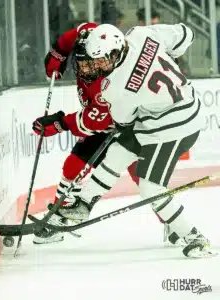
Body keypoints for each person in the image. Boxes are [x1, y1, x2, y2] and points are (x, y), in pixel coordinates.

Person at [56, 23, 215, 258]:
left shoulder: (113, 88)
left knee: (150, 187)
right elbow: (186, 34)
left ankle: (193, 236)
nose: (97, 66)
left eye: (101, 60)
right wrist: (165, 59)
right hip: (179, 110)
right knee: (119, 149)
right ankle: (85, 202)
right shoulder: (142, 35)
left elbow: (124, 120)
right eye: (94, 60)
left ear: (116, 51)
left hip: (175, 128)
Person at [136, 7, 190, 77]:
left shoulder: (163, 36)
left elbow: (180, 61)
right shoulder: (136, 39)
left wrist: (183, 69)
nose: (154, 27)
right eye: (152, 24)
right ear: (141, 22)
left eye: (155, 24)